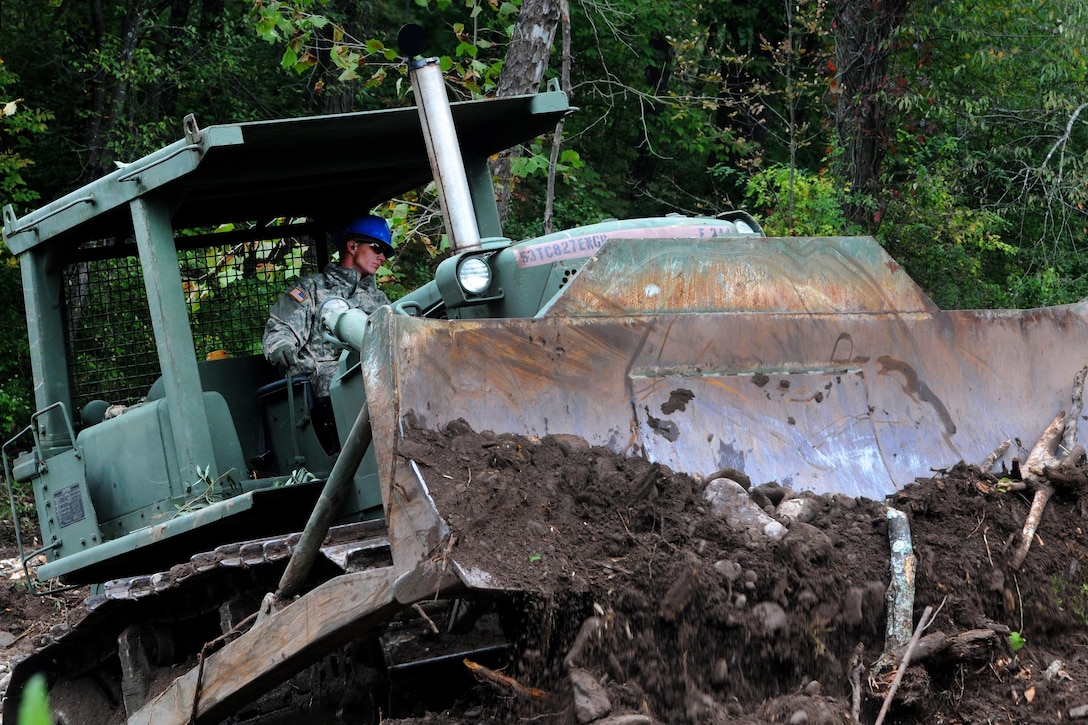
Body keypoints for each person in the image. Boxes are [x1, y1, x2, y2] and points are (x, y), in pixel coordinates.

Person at [262, 214, 395, 451]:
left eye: (385, 252)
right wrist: (280, 346)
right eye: (377, 248)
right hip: (323, 393)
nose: (382, 257)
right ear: (352, 246)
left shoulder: (379, 301)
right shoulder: (312, 289)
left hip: (373, 386)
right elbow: (281, 329)